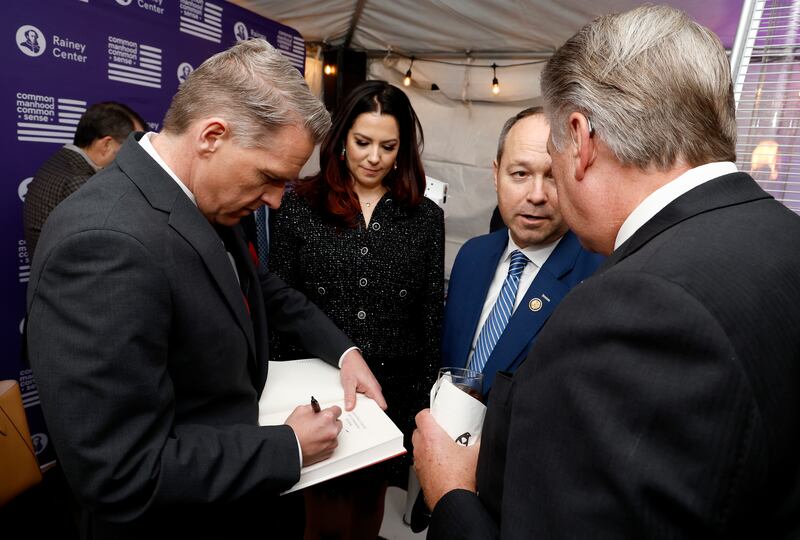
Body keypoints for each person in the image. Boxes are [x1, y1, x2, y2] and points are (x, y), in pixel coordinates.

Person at [413, 5, 800, 539]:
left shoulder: (631, 306)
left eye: (551, 152)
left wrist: (452, 492)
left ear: (581, 138)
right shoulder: (784, 236)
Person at [25, 38, 385, 540]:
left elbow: (261, 288)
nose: (277, 202)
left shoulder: (196, 198)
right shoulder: (105, 243)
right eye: (269, 177)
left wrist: (344, 352)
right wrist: (288, 447)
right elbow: (121, 472)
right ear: (212, 136)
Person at [269, 79, 444, 538]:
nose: (374, 157)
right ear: (341, 139)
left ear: (403, 149)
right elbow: (280, 306)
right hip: (318, 391)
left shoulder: (425, 217)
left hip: (392, 395)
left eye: (388, 146)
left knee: (367, 516)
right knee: (318, 519)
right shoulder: (298, 207)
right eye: (363, 142)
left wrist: (422, 405)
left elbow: (429, 316)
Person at [442, 107, 603, 395]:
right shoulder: (472, 256)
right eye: (520, 173)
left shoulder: (596, 278)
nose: (536, 195)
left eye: (553, 176)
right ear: (496, 175)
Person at [23, 101, 146, 257]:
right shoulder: (81, 182)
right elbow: (106, 249)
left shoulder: (61, 162)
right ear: (106, 145)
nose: (136, 156)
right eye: (132, 147)